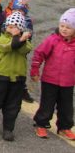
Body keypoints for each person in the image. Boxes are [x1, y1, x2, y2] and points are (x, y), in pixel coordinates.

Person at [0, 11, 33, 142]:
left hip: (17, 78)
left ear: (21, 29)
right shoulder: (1, 38)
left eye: (15, 26)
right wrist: (19, 38)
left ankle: (8, 129)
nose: (11, 28)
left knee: (13, 105)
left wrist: (21, 39)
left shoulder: (25, 43)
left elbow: (24, 49)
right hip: (0, 75)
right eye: (9, 26)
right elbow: (8, 47)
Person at [31, 8, 75, 140]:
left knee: (66, 106)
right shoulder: (53, 40)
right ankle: (41, 124)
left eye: (68, 27)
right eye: (62, 26)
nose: (64, 29)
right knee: (47, 103)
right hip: (50, 79)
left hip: (68, 81)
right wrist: (35, 70)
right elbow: (39, 54)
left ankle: (64, 127)